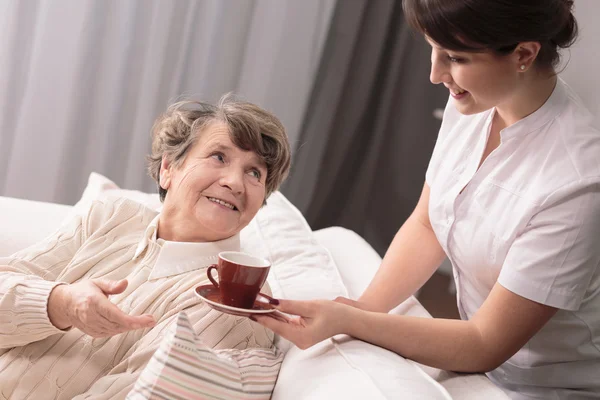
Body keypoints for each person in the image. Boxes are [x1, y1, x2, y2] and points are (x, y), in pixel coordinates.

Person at [253, 0, 600, 398]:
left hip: (547, 387)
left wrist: (350, 322)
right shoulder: (472, 105)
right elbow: (428, 224)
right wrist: (360, 310)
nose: (435, 74)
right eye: (433, 48)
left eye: (455, 57)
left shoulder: (577, 183)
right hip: (478, 366)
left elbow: (484, 344)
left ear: (524, 53)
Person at [0, 94, 290, 399]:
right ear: (168, 168)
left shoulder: (233, 296)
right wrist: (62, 304)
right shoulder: (110, 217)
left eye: (254, 172)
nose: (235, 182)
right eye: (219, 156)